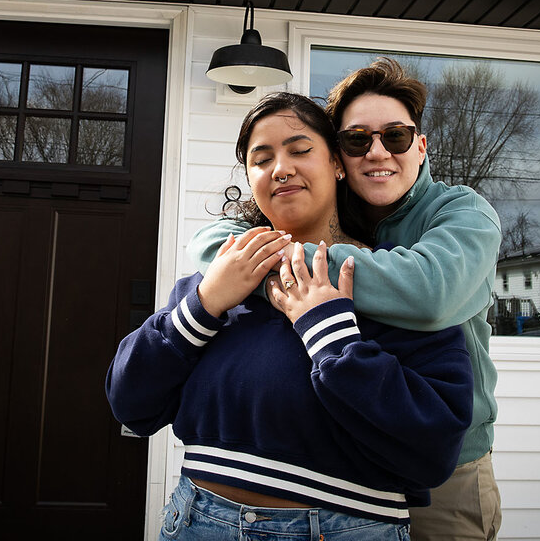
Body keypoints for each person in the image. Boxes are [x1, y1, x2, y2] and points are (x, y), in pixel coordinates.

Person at [107, 92, 473, 540]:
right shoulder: (219, 281)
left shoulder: (396, 289)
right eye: (262, 159)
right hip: (196, 520)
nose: (281, 168)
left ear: (338, 164)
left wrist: (329, 333)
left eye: (300, 150)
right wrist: (204, 301)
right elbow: (129, 404)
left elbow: (433, 451)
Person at [190, 59, 503, 541]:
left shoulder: (460, 212)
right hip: (355, 474)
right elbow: (214, 240)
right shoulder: (340, 213)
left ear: (420, 146)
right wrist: (229, 268)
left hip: (449, 466)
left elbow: (430, 294)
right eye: (358, 139)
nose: (377, 153)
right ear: (339, 158)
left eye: (395, 136)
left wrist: (285, 259)